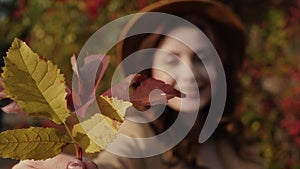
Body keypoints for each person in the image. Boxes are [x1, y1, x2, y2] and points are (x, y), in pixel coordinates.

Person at [12, 0, 265, 169]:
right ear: (150, 70)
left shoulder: (237, 142)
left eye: (201, 59)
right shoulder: (136, 131)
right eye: (172, 59)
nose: (189, 72)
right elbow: (116, 161)